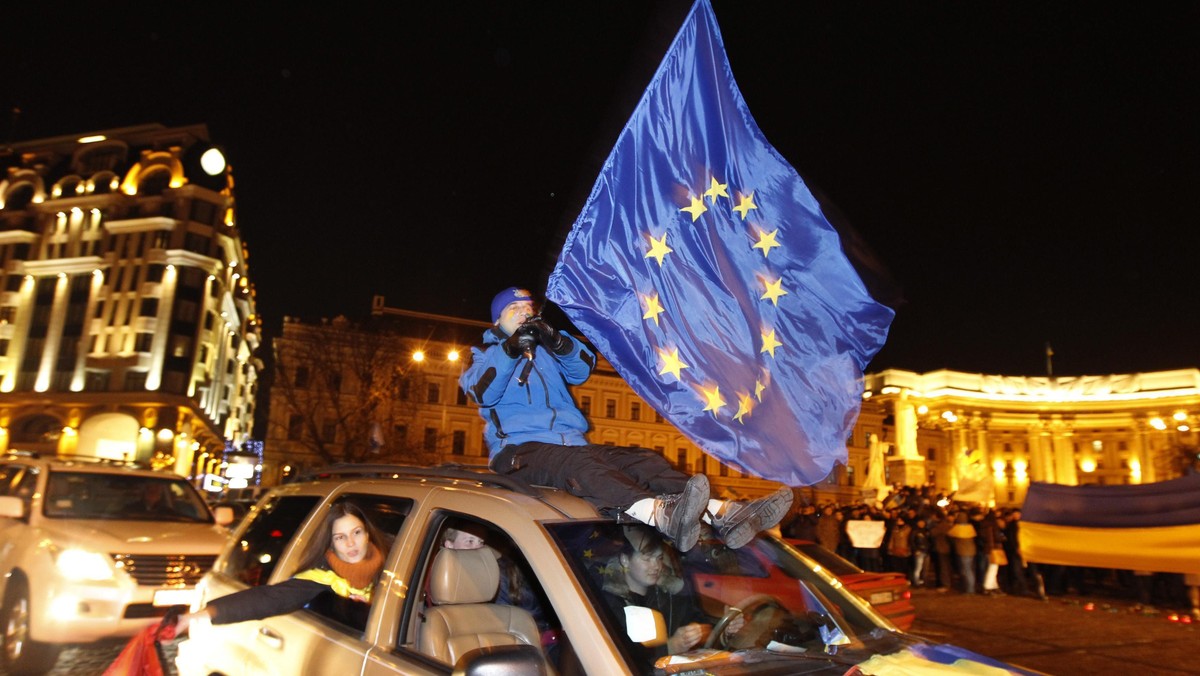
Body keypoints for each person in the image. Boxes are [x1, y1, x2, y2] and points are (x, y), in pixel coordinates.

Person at [460, 287, 792, 551]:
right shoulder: (483, 355)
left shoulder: (546, 352)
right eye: (513, 310)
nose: (524, 313)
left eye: (528, 309)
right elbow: (481, 390)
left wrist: (557, 341)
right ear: (497, 322)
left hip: (574, 448)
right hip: (519, 454)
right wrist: (511, 350)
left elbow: (582, 367)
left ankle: (725, 514)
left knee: (644, 459)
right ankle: (658, 514)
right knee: (581, 466)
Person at [175, 500, 389, 633]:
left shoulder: (395, 570)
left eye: (357, 532)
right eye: (340, 537)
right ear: (331, 543)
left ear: (367, 533)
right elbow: (269, 599)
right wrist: (197, 616)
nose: (351, 543)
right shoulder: (320, 579)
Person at [601, 526, 743, 665]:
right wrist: (669, 647)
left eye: (659, 558)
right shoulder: (609, 606)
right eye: (647, 559)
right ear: (625, 560)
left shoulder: (669, 596)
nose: (656, 566)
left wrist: (724, 632)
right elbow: (622, 659)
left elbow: (700, 626)